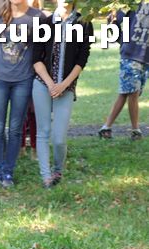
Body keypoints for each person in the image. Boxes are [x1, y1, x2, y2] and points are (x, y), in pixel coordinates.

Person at [32, 0, 90, 188]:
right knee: (43, 131)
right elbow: (36, 59)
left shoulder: (84, 24)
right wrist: (50, 84)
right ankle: (46, 175)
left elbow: (82, 59)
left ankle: (58, 169)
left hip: (66, 86)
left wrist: (63, 85)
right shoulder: (45, 23)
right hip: (42, 83)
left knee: (59, 137)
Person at [0, 0, 41, 188]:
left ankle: (8, 172)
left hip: (23, 80)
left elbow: (43, 50)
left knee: (16, 129)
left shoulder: (37, 17)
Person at [99, 2, 149, 140]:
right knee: (132, 92)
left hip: (146, 57)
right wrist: (122, 40)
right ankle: (135, 130)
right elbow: (112, 20)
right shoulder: (132, 3)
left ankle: (106, 127)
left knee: (127, 92)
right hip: (131, 54)